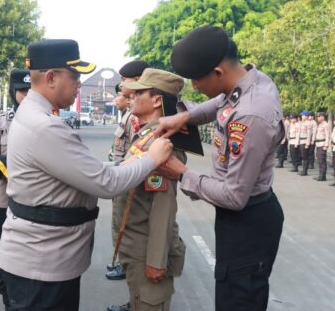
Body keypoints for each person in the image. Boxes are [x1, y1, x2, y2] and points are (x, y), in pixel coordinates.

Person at [0, 39, 173, 311]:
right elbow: (107, 183)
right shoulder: (45, 127)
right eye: (75, 76)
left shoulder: (31, 116)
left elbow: (92, 171)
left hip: (42, 259)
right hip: (42, 265)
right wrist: (152, 158)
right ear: (51, 78)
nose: (79, 84)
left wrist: (127, 162)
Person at [155, 25, 284, 311]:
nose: (195, 87)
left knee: (238, 299)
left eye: (196, 80)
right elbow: (221, 102)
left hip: (249, 220)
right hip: (246, 216)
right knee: (230, 290)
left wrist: (182, 173)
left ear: (217, 72)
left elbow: (234, 196)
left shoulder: (251, 114)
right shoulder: (249, 81)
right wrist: (186, 117)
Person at [108, 68, 188, 311]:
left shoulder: (161, 143)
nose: (131, 96)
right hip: (135, 247)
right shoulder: (145, 135)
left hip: (146, 251)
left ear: (156, 99)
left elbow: (163, 207)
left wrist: (156, 260)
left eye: (138, 92)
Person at [0, 68, 31, 310]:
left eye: (29, 90)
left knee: (29, 256)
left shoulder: (45, 119)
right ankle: (8, 297)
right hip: (4, 202)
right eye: (22, 90)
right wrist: (17, 176)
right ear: (13, 92)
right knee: (3, 253)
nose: (26, 94)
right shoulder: (0, 121)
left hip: (33, 204)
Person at [107, 60, 150, 285]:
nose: (122, 86)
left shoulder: (141, 118)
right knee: (121, 226)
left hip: (133, 180)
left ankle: (130, 271)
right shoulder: (130, 115)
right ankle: (127, 269)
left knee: (132, 233)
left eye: (125, 80)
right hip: (124, 175)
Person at [313, 112, 330, 181]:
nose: (318, 118)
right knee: (319, 160)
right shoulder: (320, 125)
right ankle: (320, 174)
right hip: (319, 144)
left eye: (319, 116)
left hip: (322, 144)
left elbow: (327, 135)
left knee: (322, 160)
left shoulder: (326, 125)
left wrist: (326, 145)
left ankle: (323, 175)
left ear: (323, 117)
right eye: (317, 117)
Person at [298, 111, 313, 176]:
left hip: (305, 142)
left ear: (306, 116)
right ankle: (303, 170)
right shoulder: (302, 123)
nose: (302, 116)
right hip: (301, 141)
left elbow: (309, 134)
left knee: (305, 157)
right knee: (303, 156)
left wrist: (307, 143)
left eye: (303, 115)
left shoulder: (308, 123)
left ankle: (305, 171)